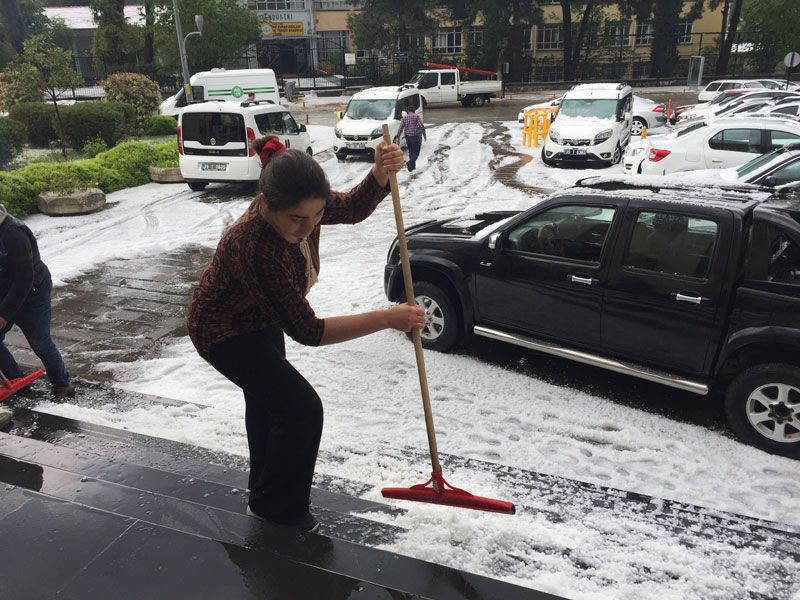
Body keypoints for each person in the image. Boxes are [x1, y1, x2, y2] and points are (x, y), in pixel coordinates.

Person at [186, 143, 423, 533]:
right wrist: (386, 318)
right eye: (298, 219)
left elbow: (353, 207)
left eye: (316, 215)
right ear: (265, 203)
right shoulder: (253, 245)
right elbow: (308, 331)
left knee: (269, 407)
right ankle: (278, 508)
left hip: (261, 318)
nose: (309, 227)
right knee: (300, 410)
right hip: (223, 330)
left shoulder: (306, 208)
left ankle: (263, 495)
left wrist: (380, 172)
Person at [0, 205, 73, 398]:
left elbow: (24, 279)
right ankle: (18, 382)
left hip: (32, 294)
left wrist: (4, 314)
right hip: (4, 292)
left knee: (40, 341)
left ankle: (62, 384)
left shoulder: (14, 234)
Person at [394, 104, 426, 172]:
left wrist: (398, 135)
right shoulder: (416, 116)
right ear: (414, 111)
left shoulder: (404, 117)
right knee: (416, 152)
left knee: (411, 152)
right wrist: (422, 134)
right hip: (415, 137)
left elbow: (401, 127)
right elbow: (421, 126)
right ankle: (410, 162)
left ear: (408, 111)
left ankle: (412, 167)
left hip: (407, 137)